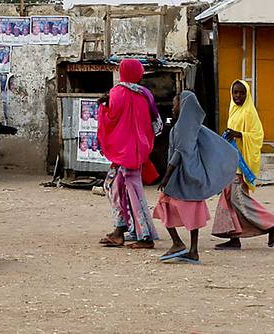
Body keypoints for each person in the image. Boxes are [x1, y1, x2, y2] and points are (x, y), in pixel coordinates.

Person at [153, 91, 240, 264]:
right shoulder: (194, 127)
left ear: (183, 105)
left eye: (175, 104)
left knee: (164, 205)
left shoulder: (183, 128)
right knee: (192, 212)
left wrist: (166, 177)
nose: (173, 108)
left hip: (181, 176)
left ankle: (179, 244)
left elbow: (179, 153)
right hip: (192, 177)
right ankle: (192, 250)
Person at [212, 79, 274, 250]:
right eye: (235, 92)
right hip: (231, 164)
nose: (238, 96)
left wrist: (239, 134)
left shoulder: (249, 113)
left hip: (240, 165)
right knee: (227, 201)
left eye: (241, 92)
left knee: (238, 199)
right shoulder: (233, 110)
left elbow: (257, 136)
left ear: (247, 94)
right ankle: (233, 237)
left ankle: (272, 224)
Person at [97, 58, 160, 250]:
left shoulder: (116, 92)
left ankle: (144, 236)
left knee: (125, 191)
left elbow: (110, 118)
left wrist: (103, 106)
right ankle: (120, 230)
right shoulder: (145, 94)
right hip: (137, 150)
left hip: (123, 151)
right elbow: (156, 124)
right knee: (117, 188)